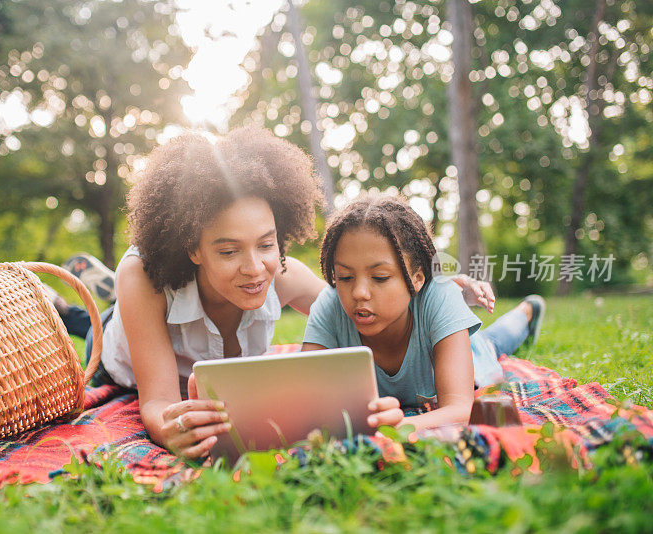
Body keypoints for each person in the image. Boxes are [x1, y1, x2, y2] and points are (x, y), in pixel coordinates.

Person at [54, 128, 495, 459]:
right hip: (121, 355)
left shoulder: (282, 274)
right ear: (193, 247)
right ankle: (86, 310)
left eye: (266, 244)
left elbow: (353, 305)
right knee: (100, 326)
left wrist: (427, 292)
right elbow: (157, 402)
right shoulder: (146, 275)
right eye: (228, 251)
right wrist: (167, 426)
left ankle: (87, 297)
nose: (254, 268)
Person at [301, 193, 545, 433]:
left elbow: (461, 409)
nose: (359, 293)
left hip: (470, 351)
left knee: (491, 343)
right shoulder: (330, 303)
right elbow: (303, 397)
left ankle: (527, 311)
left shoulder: (440, 296)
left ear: (417, 278)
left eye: (380, 277)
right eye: (344, 277)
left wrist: (400, 427)